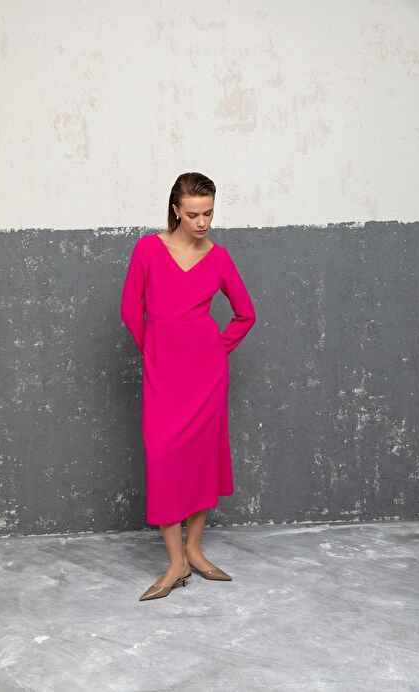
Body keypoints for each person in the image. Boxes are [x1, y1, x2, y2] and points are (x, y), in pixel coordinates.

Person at [120, 172, 256, 601]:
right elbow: (130, 309)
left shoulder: (219, 257)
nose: (202, 222)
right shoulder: (148, 249)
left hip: (207, 375)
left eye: (208, 213)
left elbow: (246, 313)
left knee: (200, 461)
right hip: (163, 371)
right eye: (194, 214)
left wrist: (217, 350)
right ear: (176, 210)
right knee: (163, 459)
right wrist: (154, 352)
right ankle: (175, 560)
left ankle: (194, 550)